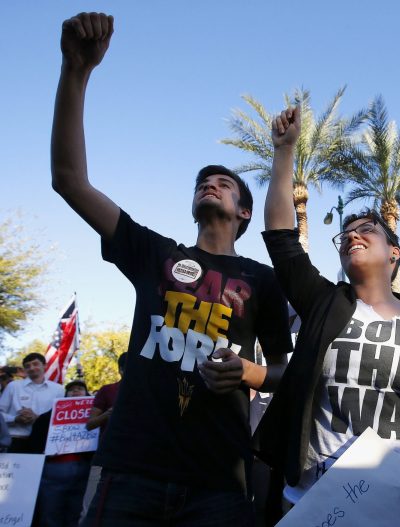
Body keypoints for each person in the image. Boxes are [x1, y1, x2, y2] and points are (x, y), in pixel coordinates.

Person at [51, 12, 293, 525]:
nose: (211, 183)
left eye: (225, 182)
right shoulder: (154, 253)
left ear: (245, 211)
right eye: (204, 180)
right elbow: (70, 180)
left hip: (219, 485)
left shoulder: (262, 279)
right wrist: (76, 72)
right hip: (130, 472)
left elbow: (283, 371)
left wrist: (246, 373)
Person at [257, 105, 400, 518]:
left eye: (367, 229)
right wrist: (284, 151)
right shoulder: (325, 302)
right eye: (345, 233)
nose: (352, 235)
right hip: (318, 505)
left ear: (394, 253)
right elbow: (281, 239)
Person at [27, 380, 93, 527]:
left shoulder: (94, 418)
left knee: (75, 514)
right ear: (65, 395)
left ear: (86, 393)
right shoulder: (46, 418)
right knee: (50, 513)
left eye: (80, 389)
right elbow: (34, 442)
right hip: (53, 471)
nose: (75, 392)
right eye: (71, 390)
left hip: (83, 471)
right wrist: (43, 453)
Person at [80, 352, 126, 520]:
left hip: (136, 460)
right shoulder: (108, 390)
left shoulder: (148, 391)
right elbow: (90, 424)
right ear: (121, 370)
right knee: (90, 506)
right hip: (105, 457)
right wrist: (108, 414)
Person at [0, 352, 64, 453]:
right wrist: (15, 418)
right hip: (16, 439)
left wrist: (38, 418)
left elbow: (60, 417)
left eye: (35, 364)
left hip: (43, 440)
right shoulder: (13, 386)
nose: (32, 368)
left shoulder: (59, 389)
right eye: (27, 366)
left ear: (45, 365)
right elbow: (0, 414)